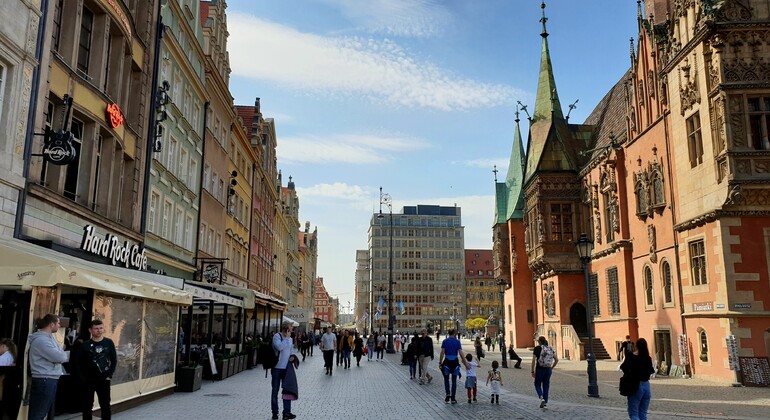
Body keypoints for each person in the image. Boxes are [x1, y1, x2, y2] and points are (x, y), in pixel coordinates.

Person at [28, 314, 68, 420]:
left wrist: (61, 353)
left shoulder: (49, 338)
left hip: (48, 379)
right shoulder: (42, 340)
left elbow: (61, 353)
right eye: (58, 323)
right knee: (38, 414)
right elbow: (60, 356)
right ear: (51, 324)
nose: (59, 326)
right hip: (44, 380)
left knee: (43, 413)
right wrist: (62, 353)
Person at [78, 319, 117, 420]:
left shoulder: (108, 342)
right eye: (96, 328)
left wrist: (110, 375)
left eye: (101, 328)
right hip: (88, 380)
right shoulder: (84, 345)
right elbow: (78, 363)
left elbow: (114, 360)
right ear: (90, 330)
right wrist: (83, 379)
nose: (99, 330)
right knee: (87, 407)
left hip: (104, 379)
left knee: (105, 406)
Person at [621, 338, 655, 420]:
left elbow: (623, 367)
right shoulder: (648, 358)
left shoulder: (632, 357)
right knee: (643, 413)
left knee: (634, 413)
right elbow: (650, 371)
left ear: (636, 346)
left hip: (636, 385)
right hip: (646, 386)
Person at [271, 322, 296, 420]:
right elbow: (279, 347)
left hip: (286, 368)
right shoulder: (277, 336)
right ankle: (275, 412)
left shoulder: (290, 339)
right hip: (277, 368)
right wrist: (286, 338)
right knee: (275, 391)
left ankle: (286, 412)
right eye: (290, 328)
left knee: (287, 391)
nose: (292, 329)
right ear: (286, 329)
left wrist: (292, 357)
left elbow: (290, 351)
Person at [438, 329, 468, 404]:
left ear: (448, 333)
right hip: (455, 362)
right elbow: (461, 353)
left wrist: (440, 362)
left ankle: (448, 393)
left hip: (447, 361)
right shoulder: (457, 342)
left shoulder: (445, 341)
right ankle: (453, 398)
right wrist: (465, 363)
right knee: (454, 380)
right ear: (454, 333)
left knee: (446, 379)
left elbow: (442, 352)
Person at [532, 336, 558, 409]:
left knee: (537, 384)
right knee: (546, 385)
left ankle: (541, 397)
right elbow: (556, 360)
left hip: (540, 368)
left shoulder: (537, 348)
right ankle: (545, 402)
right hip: (548, 369)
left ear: (539, 342)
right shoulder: (550, 348)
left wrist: (532, 371)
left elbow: (533, 360)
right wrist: (552, 367)